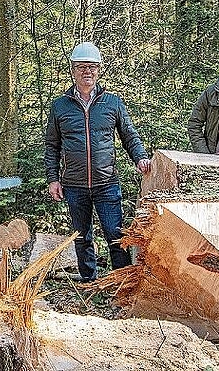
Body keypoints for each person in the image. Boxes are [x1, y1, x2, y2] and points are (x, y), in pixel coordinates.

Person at [44, 41, 151, 281]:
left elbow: (129, 135)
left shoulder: (112, 102)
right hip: (73, 184)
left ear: (99, 69)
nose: (87, 72)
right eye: (81, 67)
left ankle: (122, 284)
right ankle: (89, 283)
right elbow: (52, 145)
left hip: (106, 183)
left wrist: (140, 157)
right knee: (81, 237)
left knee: (115, 235)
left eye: (92, 67)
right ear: (73, 70)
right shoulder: (60, 106)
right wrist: (53, 179)